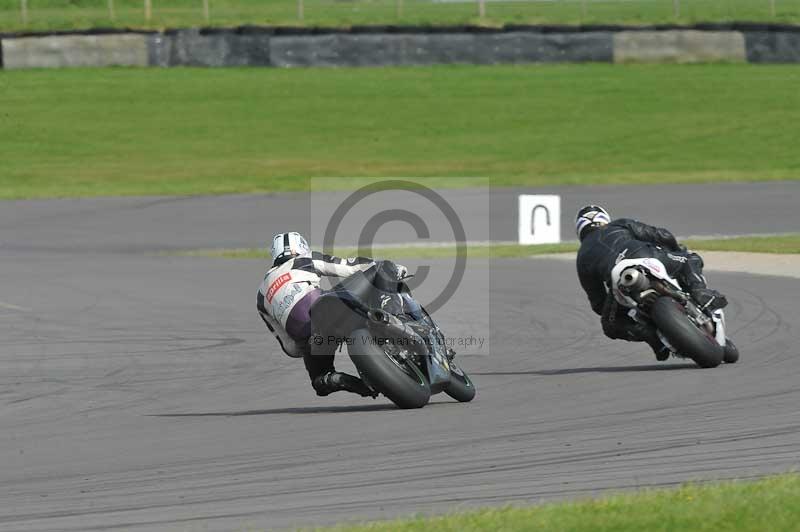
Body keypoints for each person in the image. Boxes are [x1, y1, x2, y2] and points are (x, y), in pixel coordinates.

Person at [257, 232, 408, 397]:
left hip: (310, 340)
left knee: (319, 381)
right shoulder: (304, 259)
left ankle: (334, 379)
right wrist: (389, 270)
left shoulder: (260, 297)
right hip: (326, 311)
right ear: (302, 247)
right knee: (383, 267)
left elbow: (290, 348)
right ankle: (395, 317)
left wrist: (308, 346)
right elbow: (350, 267)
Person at [575, 205, 728, 361]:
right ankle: (699, 292)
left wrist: (625, 310)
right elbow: (662, 234)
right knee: (689, 259)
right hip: (646, 255)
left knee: (610, 324)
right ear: (604, 219)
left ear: (580, 230)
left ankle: (653, 338)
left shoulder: (582, 257)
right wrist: (676, 249)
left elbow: (598, 302)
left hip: (620, 280)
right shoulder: (619, 224)